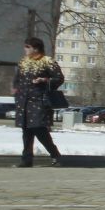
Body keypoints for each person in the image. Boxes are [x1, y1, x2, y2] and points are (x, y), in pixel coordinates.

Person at [12, 38, 66, 168]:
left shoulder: (48, 62)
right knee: (26, 131)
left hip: (39, 101)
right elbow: (17, 79)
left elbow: (59, 78)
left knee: (39, 129)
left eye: (27, 46)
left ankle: (55, 155)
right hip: (24, 101)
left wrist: (44, 80)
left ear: (36, 48)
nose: (25, 49)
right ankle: (26, 159)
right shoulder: (23, 62)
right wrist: (15, 89)